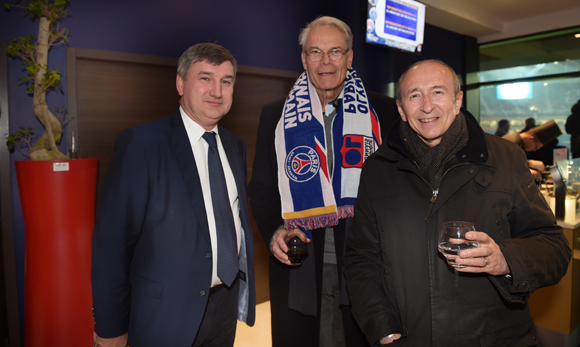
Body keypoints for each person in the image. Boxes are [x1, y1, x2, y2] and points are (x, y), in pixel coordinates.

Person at [343, 60, 571, 346]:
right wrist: (382, 329)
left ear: (458, 99)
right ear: (401, 109)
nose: (427, 106)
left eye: (437, 92)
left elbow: (554, 247)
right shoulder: (377, 169)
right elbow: (360, 258)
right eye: (414, 95)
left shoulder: (506, 158)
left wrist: (505, 258)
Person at [248, 16, 399, 347]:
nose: (326, 62)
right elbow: (261, 187)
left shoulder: (383, 111)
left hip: (367, 257)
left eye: (335, 51)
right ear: (304, 59)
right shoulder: (275, 114)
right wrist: (276, 229)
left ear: (350, 57)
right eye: (315, 52)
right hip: (301, 258)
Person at [91, 43, 255, 347]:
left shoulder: (235, 146)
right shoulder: (141, 145)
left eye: (226, 81)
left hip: (224, 305)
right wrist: (111, 328)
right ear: (181, 83)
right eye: (205, 78)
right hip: (164, 316)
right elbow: (111, 246)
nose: (217, 91)